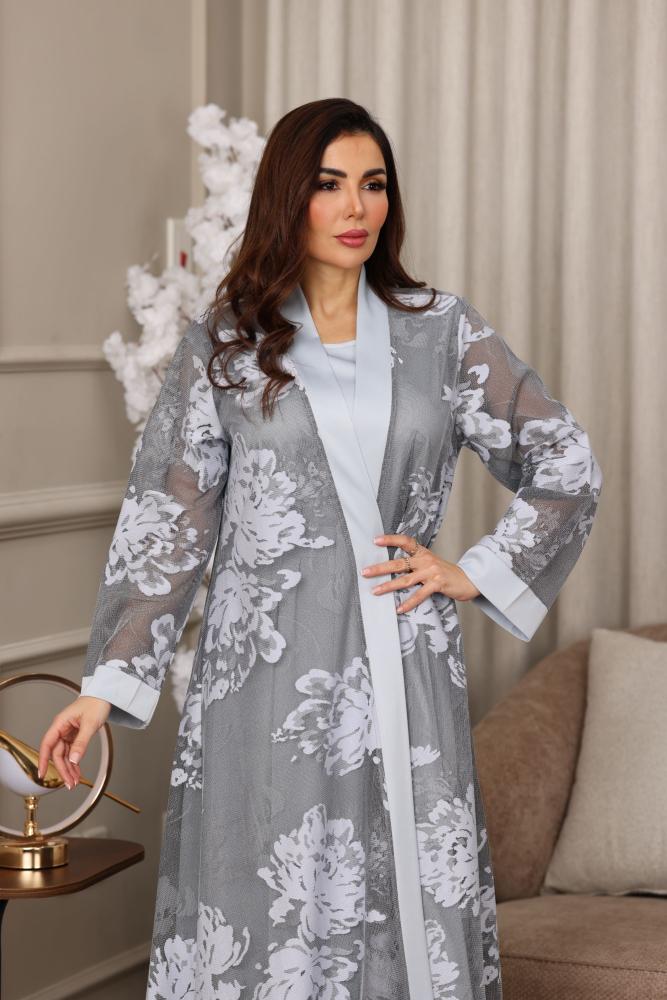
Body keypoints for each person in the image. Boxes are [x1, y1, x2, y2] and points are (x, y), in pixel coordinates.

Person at [38, 97, 602, 1000]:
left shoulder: (440, 331)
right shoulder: (227, 343)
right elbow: (169, 521)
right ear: (287, 198)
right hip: (262, 679)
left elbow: (564, 460)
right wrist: (102, 690)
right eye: (330, 185)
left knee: (400, 892)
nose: (356, 207)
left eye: (373, 185)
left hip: (402, 654)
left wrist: (471, 572)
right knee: (271, 900)